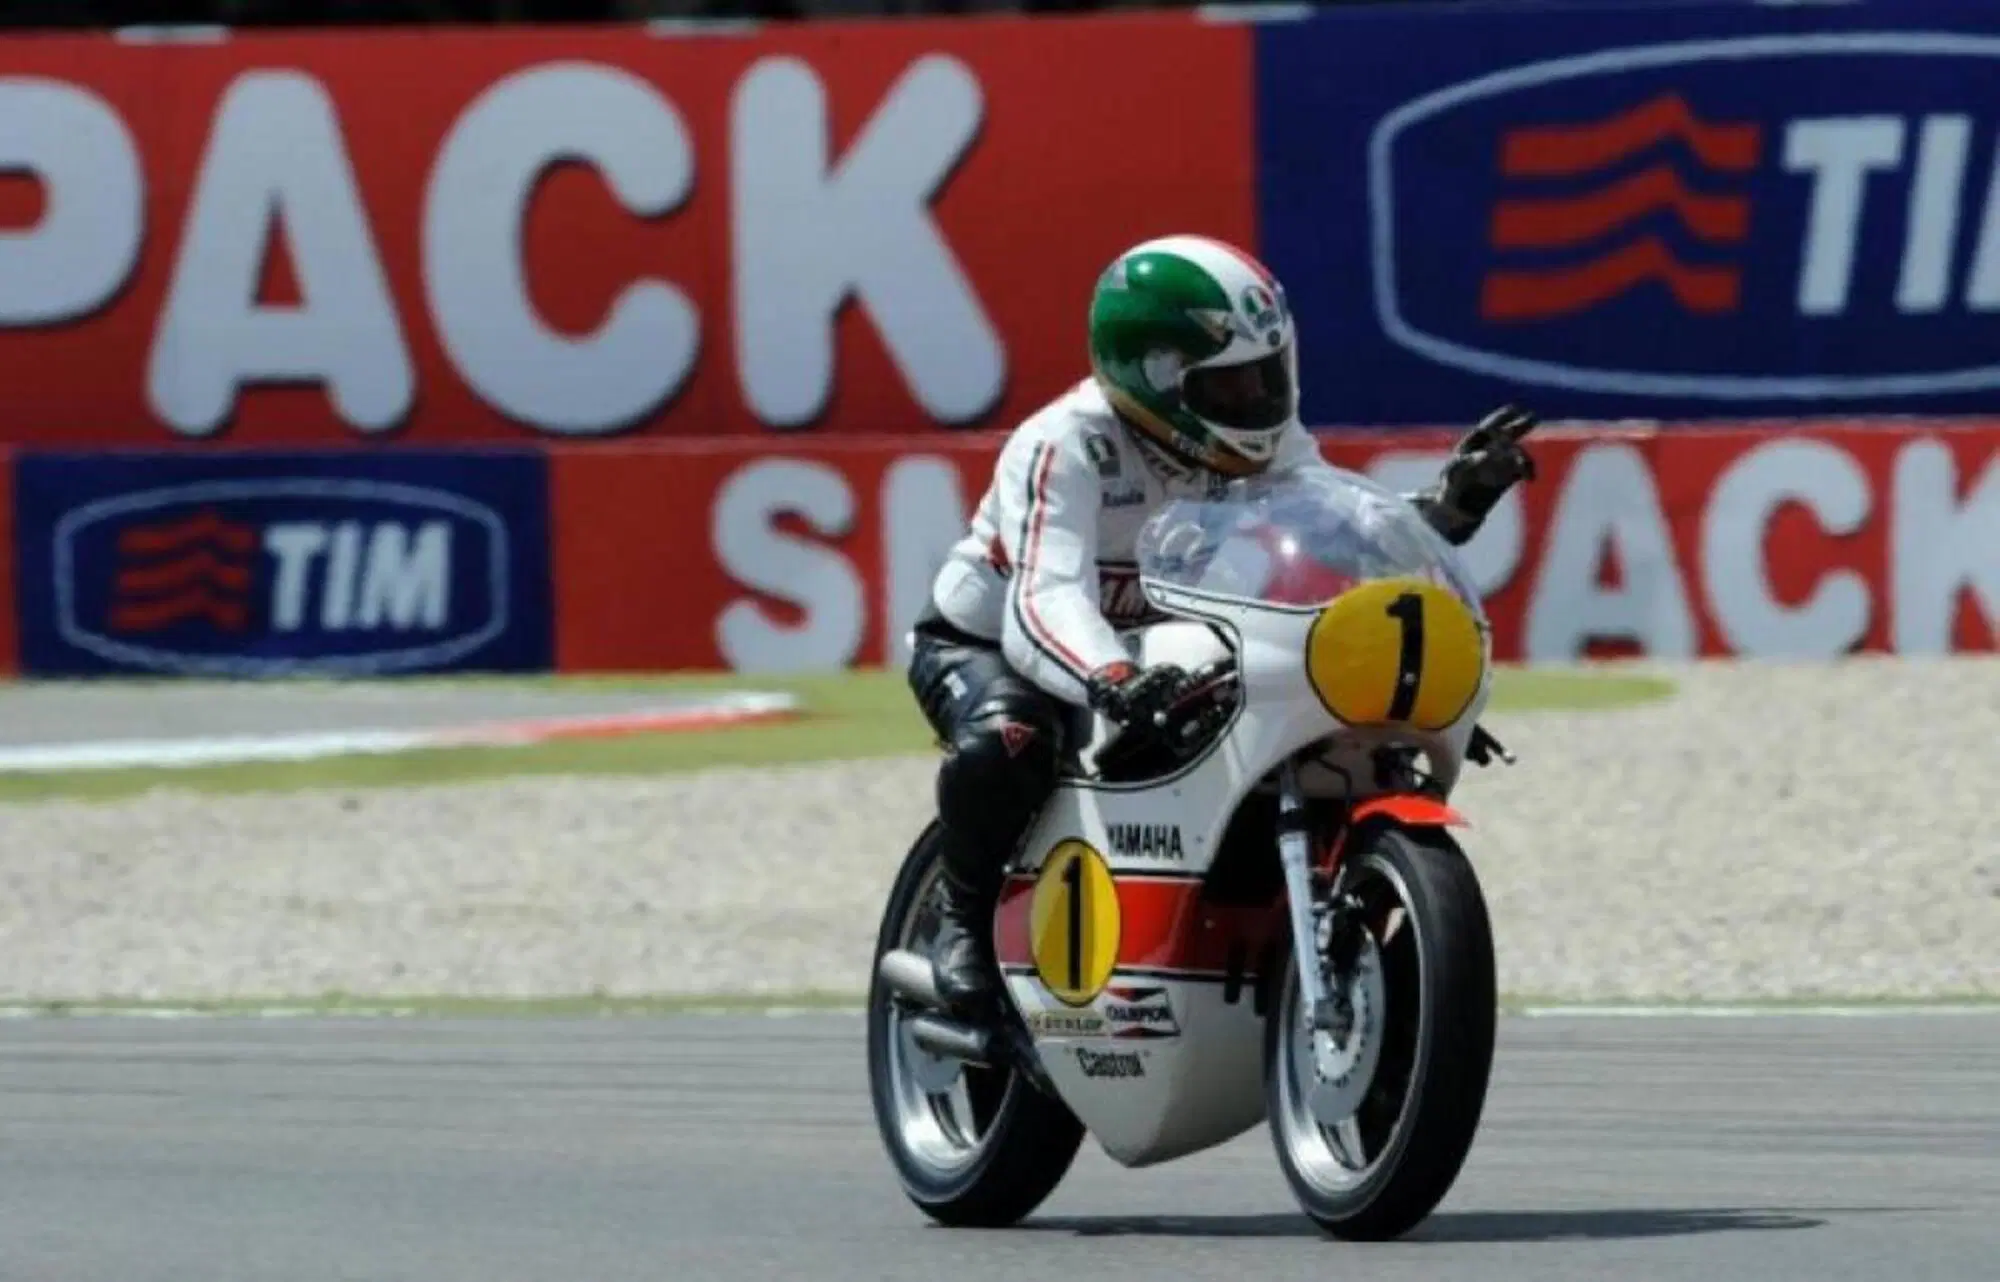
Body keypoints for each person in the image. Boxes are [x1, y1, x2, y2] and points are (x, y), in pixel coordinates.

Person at [904, 233, 1537, 1013]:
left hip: (1143, 650)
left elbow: (1338, 535)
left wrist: (1445, 512)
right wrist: (1114, 679)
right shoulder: (1064, 445)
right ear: (1154, 379)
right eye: (1232, 388)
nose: (1259, 405)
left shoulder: (1265, 446)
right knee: (1015, 739)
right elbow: (1043, 604)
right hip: (990, 643)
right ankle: (963, 925)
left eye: (1269, 378)